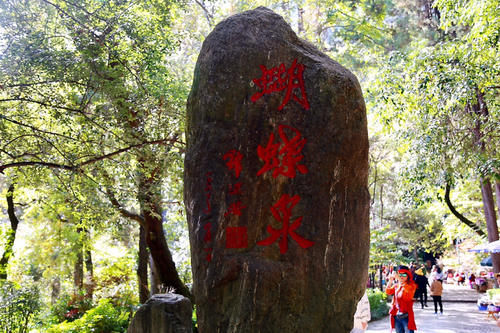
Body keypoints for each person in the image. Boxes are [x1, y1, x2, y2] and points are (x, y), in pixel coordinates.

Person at [386, 266, 417, 333]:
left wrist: (398, 278)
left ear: (408, 276)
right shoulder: (396, 285)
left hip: (406, 316)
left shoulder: (412, 285)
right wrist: (390, 281)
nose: (401, 276)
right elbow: (388, 291)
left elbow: (407, 290)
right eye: (400, 274)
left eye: (404, 274)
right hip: (397, 316)